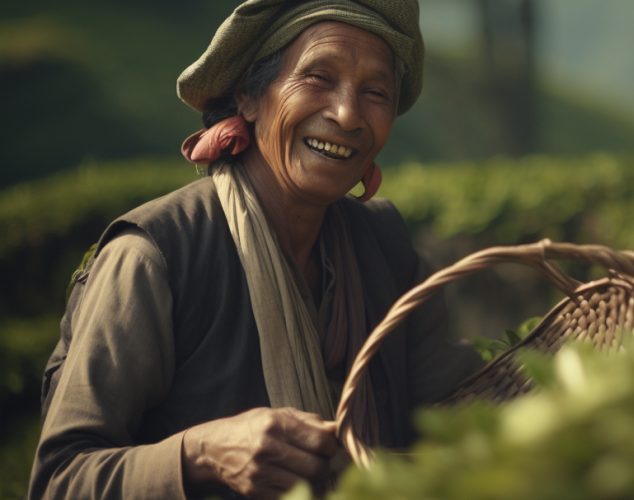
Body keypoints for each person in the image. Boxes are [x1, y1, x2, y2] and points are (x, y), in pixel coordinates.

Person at [27, 1, 484, 498]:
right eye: (318, 77)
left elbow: (461, 413)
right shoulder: (156, 256)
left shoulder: (388, 249)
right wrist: (199, 453)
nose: (348, 113)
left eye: (375, 92)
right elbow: (59, 479)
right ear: (249, 96)